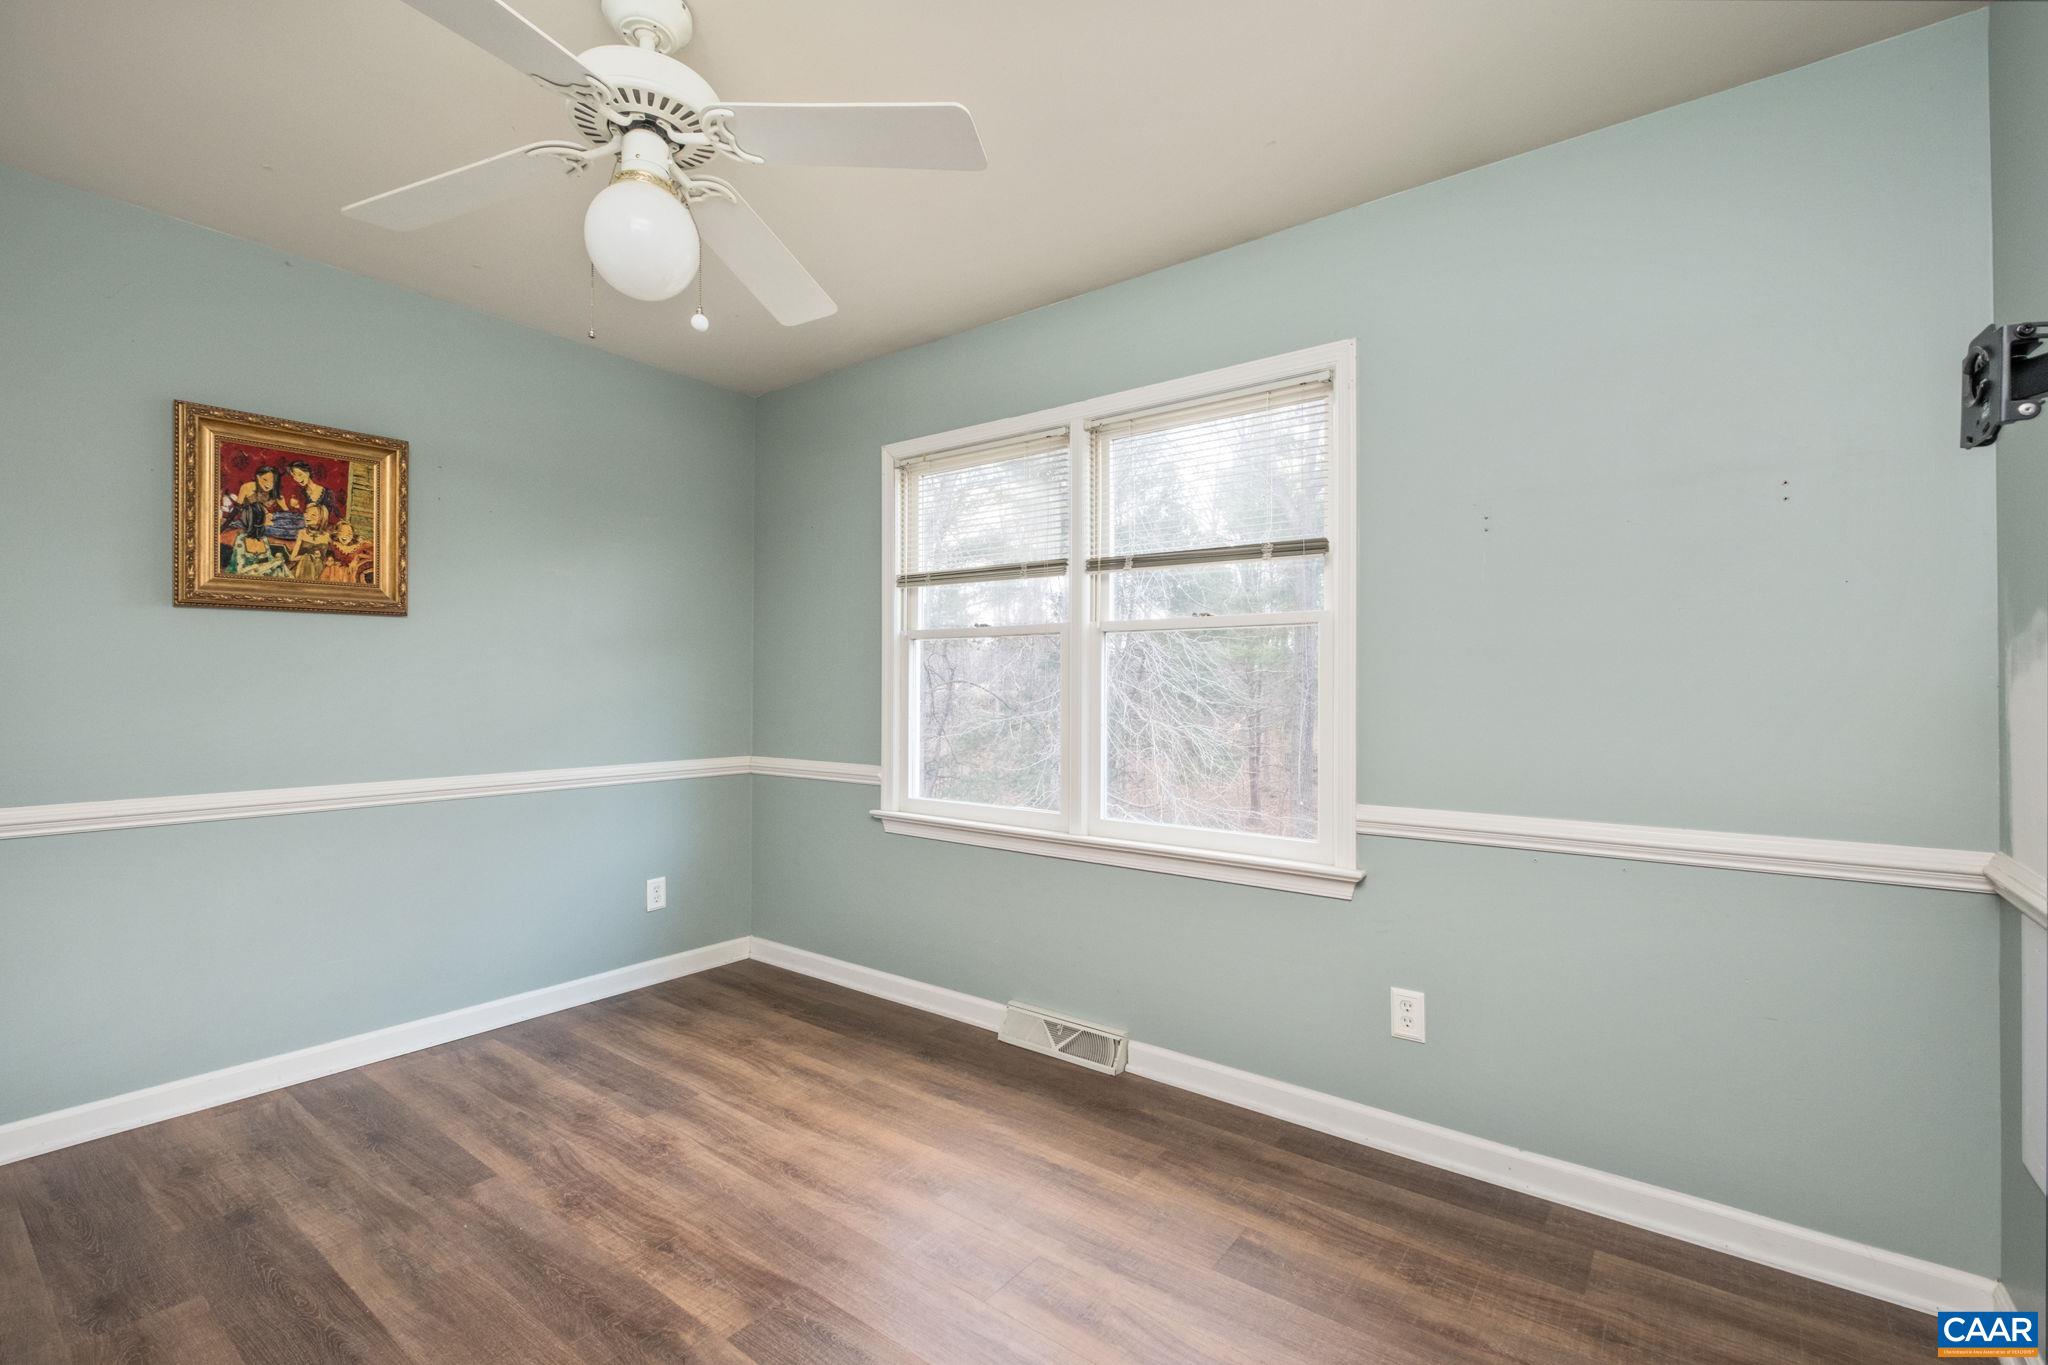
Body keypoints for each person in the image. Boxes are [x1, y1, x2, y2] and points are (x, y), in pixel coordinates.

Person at [319, 519, 374, 584]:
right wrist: (329, 559)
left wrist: (357, 559)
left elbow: (374, 555)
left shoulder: (358, 546)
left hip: (351, 575)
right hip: (333, 573)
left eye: (349, 533)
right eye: (341, 531)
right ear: (336, 534)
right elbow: (326, 554)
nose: (345, 535)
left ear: (353, 535)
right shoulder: (333, 544)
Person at [290, 504, 333, 580]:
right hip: (303, 569)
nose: (307, 516)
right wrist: (308, 557)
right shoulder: (302, 533)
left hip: (321, 571)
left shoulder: (327, 536)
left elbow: (330, 557)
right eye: (306, 513)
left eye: (313, 515)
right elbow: (292, 558)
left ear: (322, 518)